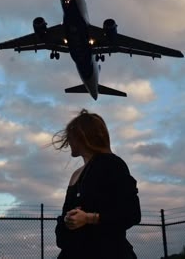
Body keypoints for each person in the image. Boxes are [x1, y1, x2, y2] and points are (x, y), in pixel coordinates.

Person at [53, 109, 141, 259]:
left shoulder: (112, 164)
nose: (68, 140)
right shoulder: (76, 175)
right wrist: (67, 222)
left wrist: (89, 218)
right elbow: (63, 229)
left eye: (71, 135)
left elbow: (131, 213)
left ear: (82, 136)